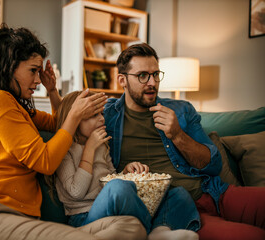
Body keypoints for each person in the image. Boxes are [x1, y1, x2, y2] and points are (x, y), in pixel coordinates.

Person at [0, 24, 147, 240]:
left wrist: (53, 91)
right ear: (7, 66)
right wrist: (75, 114)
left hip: (22, 220)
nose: (37, 80)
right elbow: (45, 161)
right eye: (33, 70)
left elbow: (56, 124)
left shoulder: (16, 107)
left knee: (132, 227)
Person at [103, 42, 265, 239]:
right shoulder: (107, 115)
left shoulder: (181, 110)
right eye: (142, 76)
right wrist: (53, 92)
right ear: (122, 80)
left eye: (156, 74)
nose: (152, 83)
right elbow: (68, 116)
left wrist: (178, 134)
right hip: (179, 209)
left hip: (214, 192)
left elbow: (213, 165)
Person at [49, 90, 200, 240]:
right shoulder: (65, 149)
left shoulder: (102, 145)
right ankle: (148, 231)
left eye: (101, 114)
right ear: (75, 119)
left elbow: (109, 179)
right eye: (94, 115)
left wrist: (126, 172)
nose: (102, 119)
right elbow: (76, 192)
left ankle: (159, 230)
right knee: (118, 187)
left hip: (113, 213)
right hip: (84, 219)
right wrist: (89, 149)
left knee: (177, 193)